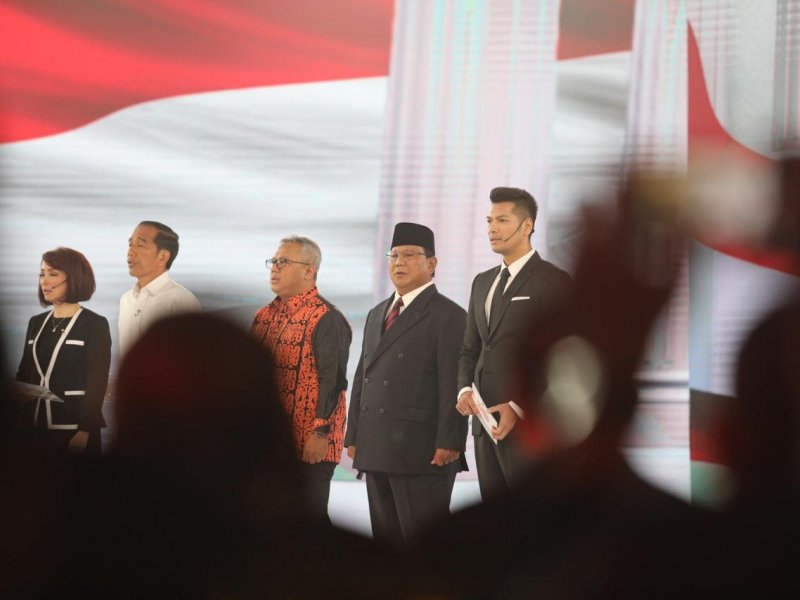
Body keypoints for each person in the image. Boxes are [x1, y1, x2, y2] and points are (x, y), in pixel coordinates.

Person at [345, 222, 467, 548]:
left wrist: (450, 441)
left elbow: (455, 381)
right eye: (394, 255)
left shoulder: (449, 316)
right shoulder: (376, 313)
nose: (399, 262)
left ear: (432, 264)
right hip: (377, 445)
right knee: (386, 547)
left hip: (423, 450)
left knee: (423, 546)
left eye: (410, 255)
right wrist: (354, 433)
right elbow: (363, 377)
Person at [456, 187, 571, 498]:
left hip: (528, 426)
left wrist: (518, 406)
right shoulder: (482, 282)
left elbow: (563, 357)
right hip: (484, 426)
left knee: (531, 520)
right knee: (496, 525)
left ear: (527, 226)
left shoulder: (553, 280)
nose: (492, 229)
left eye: (502, 220)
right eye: (489, 220)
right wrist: (465, 389)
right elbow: (471, 348)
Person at [251, 235, 351, 518]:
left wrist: (320, 432)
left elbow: (333, 379)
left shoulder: (326, 317)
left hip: (310, 444)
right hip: (270, 443)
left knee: (307, 521)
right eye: (273, 261)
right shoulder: (264, 316)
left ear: (309, 270)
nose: (274, 268)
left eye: (284, 262)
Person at [15, 247, 111, 456]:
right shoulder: (36, 323)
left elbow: (97, 381)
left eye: (52, 274)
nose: (44, 281)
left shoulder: (94, 324)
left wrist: (85, 431)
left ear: (74, 278)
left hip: (73, 428)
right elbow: (24, 374)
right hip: (34, 427)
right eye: (42, 274)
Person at [118, 220, 200, 355]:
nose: (131, 251)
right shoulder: (126, 300)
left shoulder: (181, 300)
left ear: (163, 257)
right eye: (130, 244)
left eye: (140, 245)